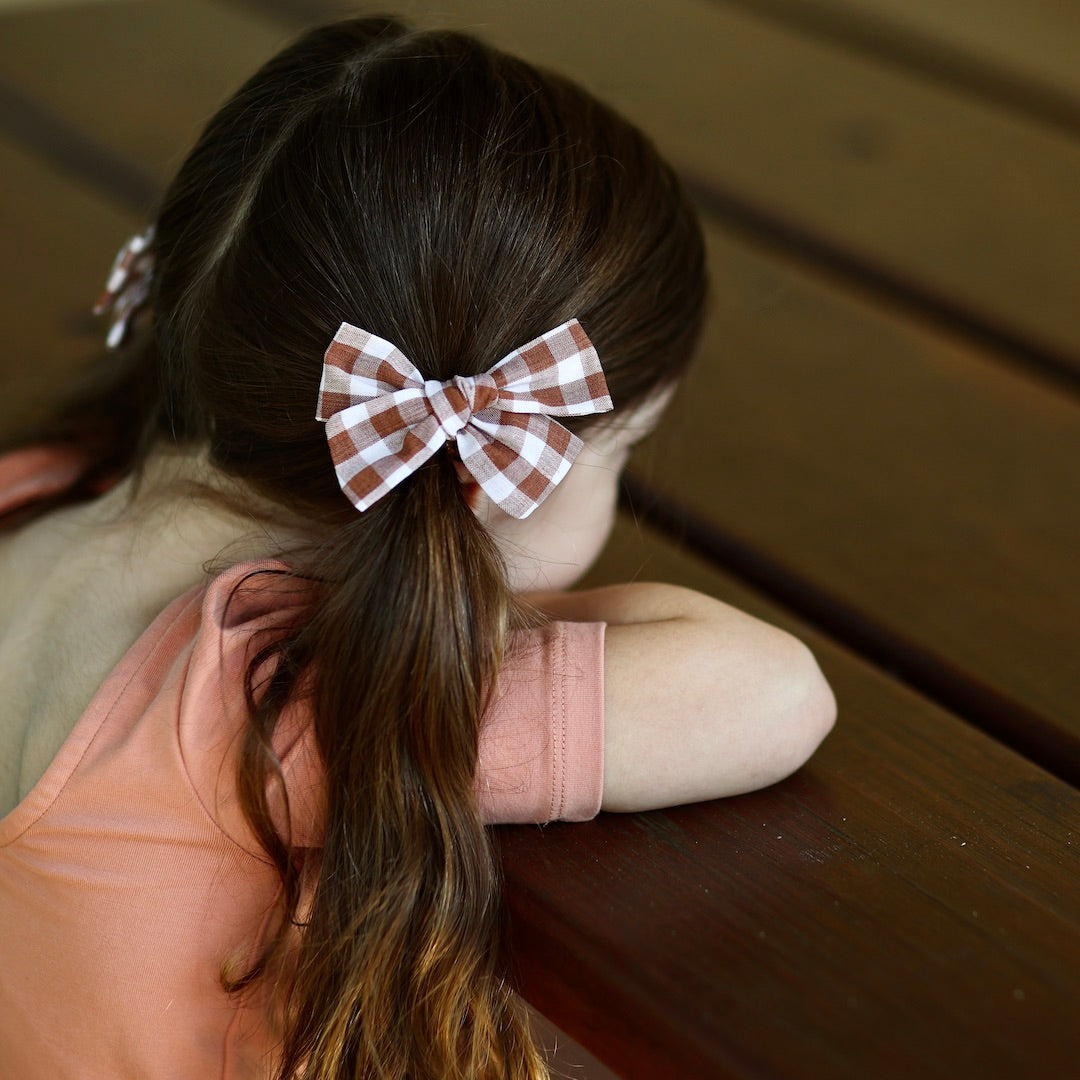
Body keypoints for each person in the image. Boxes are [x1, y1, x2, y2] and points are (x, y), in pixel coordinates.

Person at [0, 16, 835, 1080]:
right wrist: (470, 611)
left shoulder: (28, 490)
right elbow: (778, 694)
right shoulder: (284, 704)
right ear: (490, 468)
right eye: (619, 454)